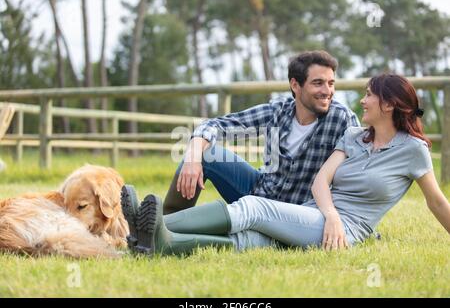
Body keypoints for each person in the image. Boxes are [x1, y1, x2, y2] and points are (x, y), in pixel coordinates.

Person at [122, 74, 450, 255]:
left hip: (344, 232)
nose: (361, 100)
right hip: (317, 214)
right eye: (319, 83)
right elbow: (321, 182)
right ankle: (161, 242)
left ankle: (152, 227)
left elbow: (436, 201)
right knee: (252, 239)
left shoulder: (412, 150)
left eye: (368, 95)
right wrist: (331, 214)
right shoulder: (355, 137)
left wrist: (338, 222)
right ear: (296, 85)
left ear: (390, 104)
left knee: (254, 208)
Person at [163, 50, 359, 215]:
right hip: (259, 192)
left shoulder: (342, 120)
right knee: (205, 153)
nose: (327, 91)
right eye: (318, 83)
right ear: (295, 85)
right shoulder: (278, 111)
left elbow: (360, 173)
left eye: (331, 83)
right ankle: (165, 222)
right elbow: (216, 125)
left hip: (296, 213)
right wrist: (192, 158)